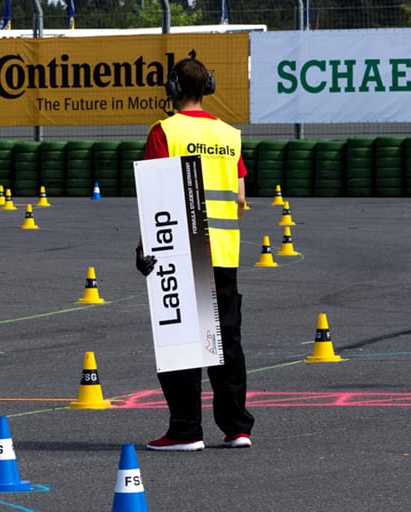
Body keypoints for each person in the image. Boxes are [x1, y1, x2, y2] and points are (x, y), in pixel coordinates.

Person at [136, 53, 255, 451]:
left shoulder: (164, 131)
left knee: (181, 340)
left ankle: (185, 430)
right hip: (223, 252)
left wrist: (145, 248)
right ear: (208, 87)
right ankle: (237, 427)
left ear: (172, 88)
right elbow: (239, 196)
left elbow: (156, 196)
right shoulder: (230, 134)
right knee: (225, 343)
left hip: (181, 250)